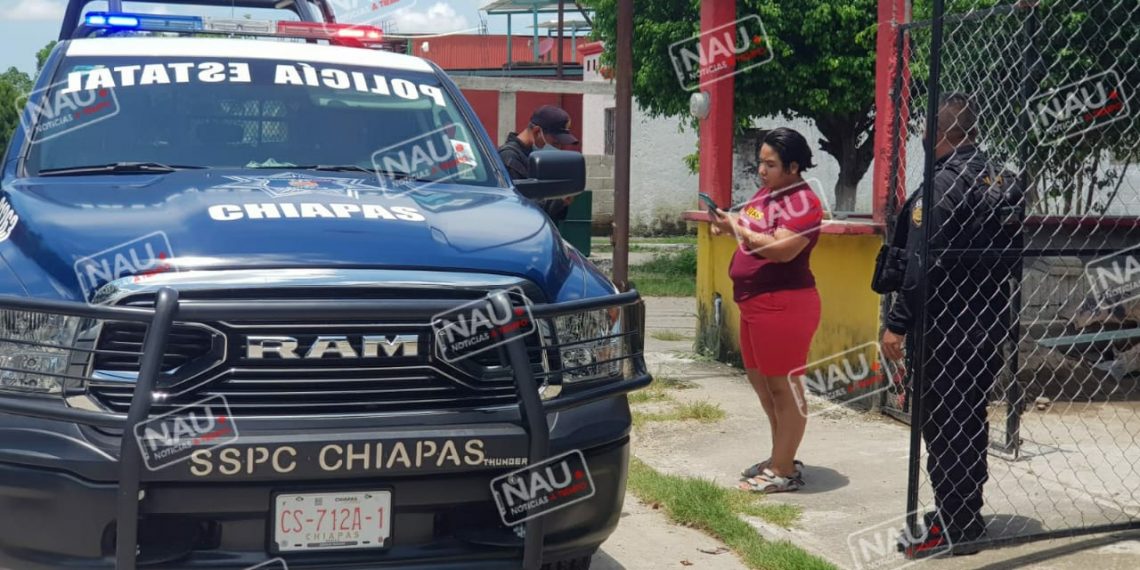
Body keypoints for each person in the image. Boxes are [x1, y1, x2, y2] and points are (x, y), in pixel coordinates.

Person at [880, 92, 1020, 554]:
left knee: (942, 423)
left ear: (940, 134)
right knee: (967, 417)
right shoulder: (996, 178)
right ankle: (964, 512)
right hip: (987, 323)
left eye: (925, 129)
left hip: (945, 329)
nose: (920, 136)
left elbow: (920, 265)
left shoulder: (942, 186)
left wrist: (897, 324)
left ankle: (954, 523)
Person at [708, 127, 824, 494]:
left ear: (792, 166)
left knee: (783, 389)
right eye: (760, 162)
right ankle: (780, 456)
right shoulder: (766, 194)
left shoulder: (804, 203)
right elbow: (749, 226)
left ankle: (784, 469)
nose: (761, 169)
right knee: (762, 386)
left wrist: (738, 229)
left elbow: (782, 249)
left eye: (770, 164)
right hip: (755, 305)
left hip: (783, 304)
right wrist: (728, 226)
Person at [498, 105, 580, 223]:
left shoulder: (532, 158)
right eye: (555, 143)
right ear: (537, 131)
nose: (558, 148)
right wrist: (558, 200)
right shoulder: (510, 158)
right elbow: (520, 207)